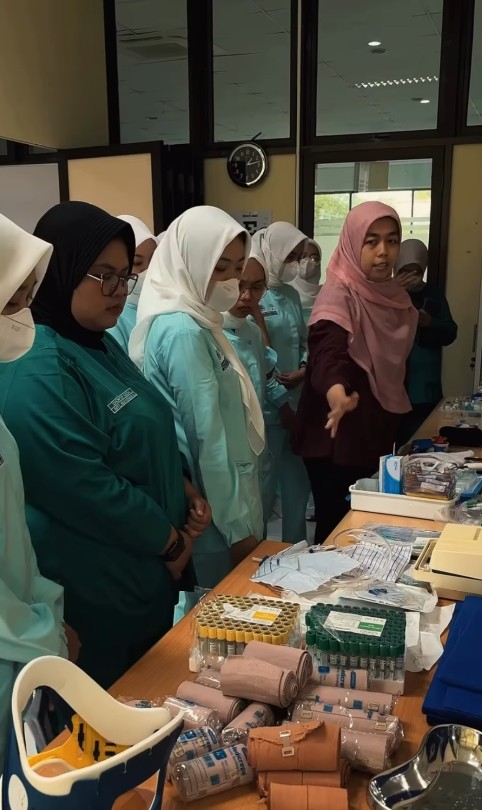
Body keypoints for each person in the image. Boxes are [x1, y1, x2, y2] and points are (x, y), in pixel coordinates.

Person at [0, 201, 210, 689]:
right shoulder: (40, 363)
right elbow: (80, 484)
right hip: (98, 581)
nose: (119, 290)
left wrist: (182, 485)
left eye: (125, 276)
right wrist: (170, 541)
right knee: (111, 704)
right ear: (64, 271)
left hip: (142, 570)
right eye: (104, 276)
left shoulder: (97, 340)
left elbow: (144, 424)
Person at [130, 205, 264, 598]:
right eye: (219, 268)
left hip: (228, 498)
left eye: (237, 267)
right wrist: (238, 530)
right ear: (190, 263)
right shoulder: (182, 331)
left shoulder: (202, 321)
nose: (231, 281)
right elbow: (207, 439)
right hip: (215, 514)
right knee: (216, 613)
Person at [293, 202, 418, 543]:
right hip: (336, 438)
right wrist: (337, 394)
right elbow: (327, 352)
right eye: (371, 241)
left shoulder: (396, 298)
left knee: (366, 528)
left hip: (374, 430)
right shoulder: (338, 294)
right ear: (352, 243)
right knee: (337, 530)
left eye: (392, 241)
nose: (383, 252)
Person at [0, 215, 71, 771]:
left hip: (20, 637)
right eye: (10, 302)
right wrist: (39, 634)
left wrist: (44, 608)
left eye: (27, 299)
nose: (21, 318)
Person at [222, 250, 293, 523]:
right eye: (239, 286)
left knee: (260, 510)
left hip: (257, 443)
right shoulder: (206, 333)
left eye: (256, 288)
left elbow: (267, 372)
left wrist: (285, 407)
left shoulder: (251, 331)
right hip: (225, 451)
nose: (247, 296)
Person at [251, 222, 311, 543]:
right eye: (290, 256)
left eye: (298, 257)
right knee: (263, 490)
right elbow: (256, 353)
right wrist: (279, 399)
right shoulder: (252, 295)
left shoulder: (291, 294)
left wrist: (304, 367)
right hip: (268, 410)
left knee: (297, 487)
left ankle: (295, 549)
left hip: (296, 405)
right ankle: (256, 556)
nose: (295, 264)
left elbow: (303, 341)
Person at [394, 238, 458, 445]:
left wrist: (429, 322)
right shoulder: (385, 293)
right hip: (392, 387)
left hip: (424, 388)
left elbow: (450, 332)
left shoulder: (433, 293)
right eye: (405, 271)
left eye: (416, 271)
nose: (411, 277)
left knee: (422, 441)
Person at [108, 215, 158, 351]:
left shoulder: (162, 306)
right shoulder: (114, 315)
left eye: (154, 260)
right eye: (137, 262)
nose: (148, 269)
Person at [289, 238, 323, 323]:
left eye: (314, 258)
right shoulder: (285, 293)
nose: (307, 261)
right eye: (303, 256)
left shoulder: (326, 295)